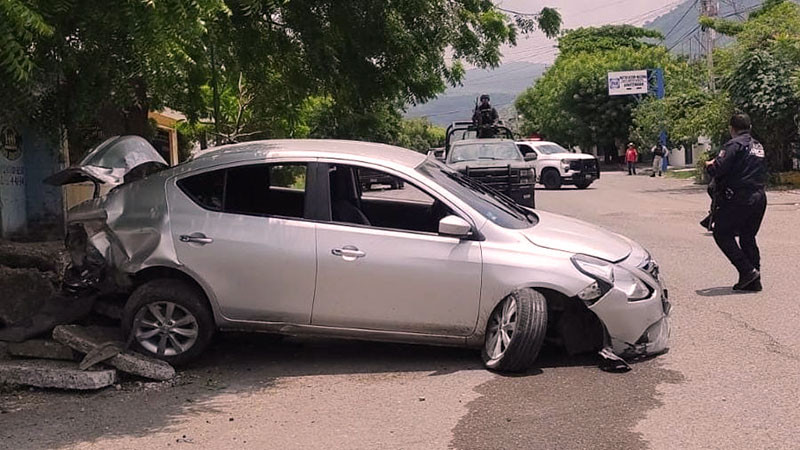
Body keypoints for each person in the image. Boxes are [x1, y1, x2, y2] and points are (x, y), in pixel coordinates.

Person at [705, 112, 768, 291]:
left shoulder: (734, 144)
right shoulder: (758, 145)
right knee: (748, 237)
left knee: (722, 234)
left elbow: (718, 168)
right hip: (759, 196)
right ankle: (754, 280)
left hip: (740, 197)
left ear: (731, 129)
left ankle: (747, 271)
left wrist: (710, 165)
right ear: (750, 128)